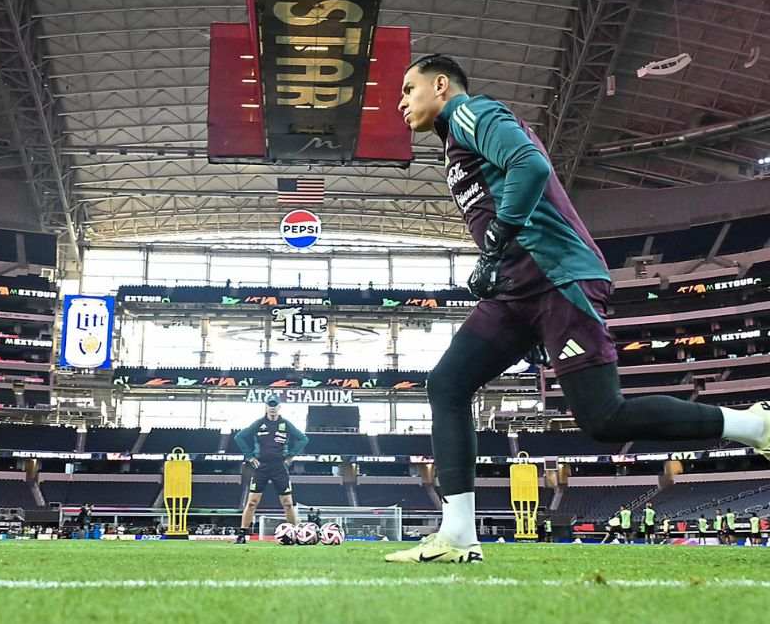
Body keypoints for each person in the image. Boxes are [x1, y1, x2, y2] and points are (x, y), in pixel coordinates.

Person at [386, 55, 770, 563]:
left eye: (409, 89)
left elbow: (531, 165)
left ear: (440, 85)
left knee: (604, 418)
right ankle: (457, 533)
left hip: (558, 278)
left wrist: (496, 241)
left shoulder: (471, 113)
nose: (401, 101)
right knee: (448, 384)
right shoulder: (456, 145)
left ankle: (753, 426)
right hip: (516, 290)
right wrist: (496, 259)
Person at [233, 396, 308, 544]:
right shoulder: (259, 424)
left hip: (280, 467)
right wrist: (249, 456)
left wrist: (291, 456)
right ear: (266, 407)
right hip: (261, 467)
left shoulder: (285, 424)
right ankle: (242, 534)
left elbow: (303, 439)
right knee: (252, 502)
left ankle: (295, 534)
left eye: (275, 405)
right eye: (270, 405)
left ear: (279, 407)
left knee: (287, 502)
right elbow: (239, 437)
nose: (272, 408)